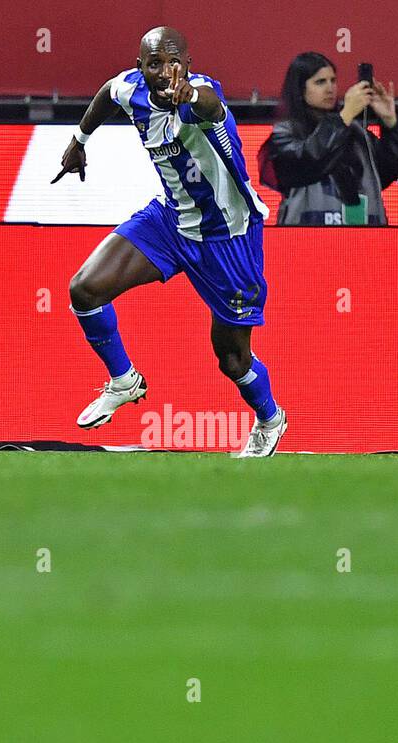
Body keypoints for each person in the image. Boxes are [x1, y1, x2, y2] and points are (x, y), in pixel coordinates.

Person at [52, 26, 287, 458]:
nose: (165, 72)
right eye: (155, 63)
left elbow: (213, 106)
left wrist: (190, 97)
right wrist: (79, 141)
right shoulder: (131, 88)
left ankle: (270, 418)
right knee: (83, 289)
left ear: (188, 65)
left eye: (174, 61)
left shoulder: (201, 96)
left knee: (232, 360)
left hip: (227, 236)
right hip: (171, 222)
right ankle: (124, 381)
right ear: (141, 68)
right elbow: (108, 92)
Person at [258, 52, 398, 226]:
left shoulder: (356, 133)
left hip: (366, 241)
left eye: (333, 81)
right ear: (300, 89)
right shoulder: (286, 133)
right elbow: (307, 161)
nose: (330, 88)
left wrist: (391, 122)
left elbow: (397, 163)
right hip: (306, 242)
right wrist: (344, 117)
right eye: (320, 82)